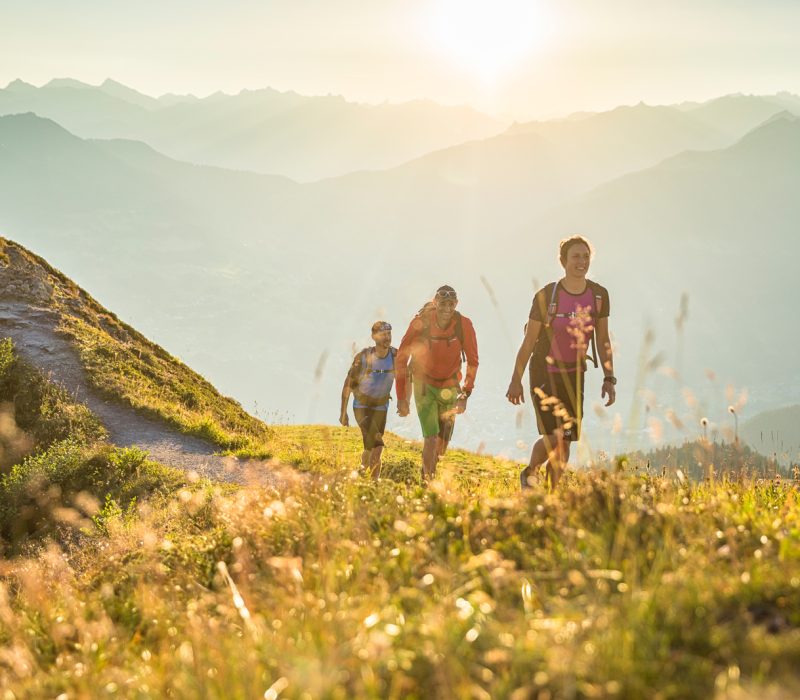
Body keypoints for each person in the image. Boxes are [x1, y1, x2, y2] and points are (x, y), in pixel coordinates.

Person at [506, 235, 616, 490]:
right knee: (554, 436)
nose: (581, 261)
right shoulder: (546, 296)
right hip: (543, 371)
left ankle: (552, 495)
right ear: (563, 261)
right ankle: (530, 473)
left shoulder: (599, 295)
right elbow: (529, 341)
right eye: (575, 256)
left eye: (586, 256)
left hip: (574, 374)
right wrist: (515, 380)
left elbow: (603, 340)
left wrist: (609, 378)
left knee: (565, 441)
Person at [395, 285, 479, 481]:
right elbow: (401, 358)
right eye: (442, 303)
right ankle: (428, 484)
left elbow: (473, 361)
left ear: (456, 304)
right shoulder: (420, 323)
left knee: (441, 446)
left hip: (451, 387)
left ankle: (428, 470)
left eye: (451, 304)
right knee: (431, 438)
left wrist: (465, 392)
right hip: (424, 385)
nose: (446, 308)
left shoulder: (464, 325)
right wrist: (401, 397)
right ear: (435, 303)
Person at [340, 321, 397, 479]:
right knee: (377, 445)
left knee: (369, 447)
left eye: (389, 334)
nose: (387, 337)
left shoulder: (395, 356)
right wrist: (343, 412)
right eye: (383, 334)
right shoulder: (364, 357)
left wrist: (404, 400)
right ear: (374, 337)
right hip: (362, 407)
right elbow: (348, 384)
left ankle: (362, 468)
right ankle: (374, 484)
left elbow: (405, 378)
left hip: (381, 407)